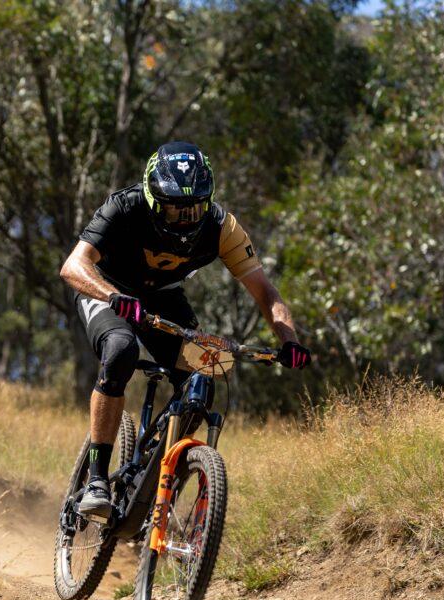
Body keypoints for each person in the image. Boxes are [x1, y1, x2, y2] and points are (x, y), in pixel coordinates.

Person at [59, 141, 311, 520]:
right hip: (107, 289)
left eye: (194, 208)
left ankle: (156, 486)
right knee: (121, 348)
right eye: (174, 209)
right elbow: (73, 266)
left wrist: (288, 340)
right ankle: (96, 480)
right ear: (152, 197)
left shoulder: (222, 227)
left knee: (207, 373)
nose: (186, 218)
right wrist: (114, 297)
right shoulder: (123, 207)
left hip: (162, 298)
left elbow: (265, 291)